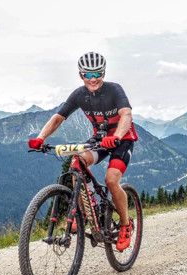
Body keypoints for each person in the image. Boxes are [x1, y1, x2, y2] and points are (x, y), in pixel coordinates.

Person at [28, 51, 138, 251]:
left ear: (104, 73)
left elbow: (126, 114)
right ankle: (87, 211)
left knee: (111, 180)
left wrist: (118, 136)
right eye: (88, 74)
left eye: (97, 73)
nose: (93, 78)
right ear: (81, 75)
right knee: (76, 163)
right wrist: (40, 138)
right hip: (100, 140)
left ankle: (125, 225)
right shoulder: (80, 95)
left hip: (122, 140)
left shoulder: (114, 90)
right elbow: (58, 118)